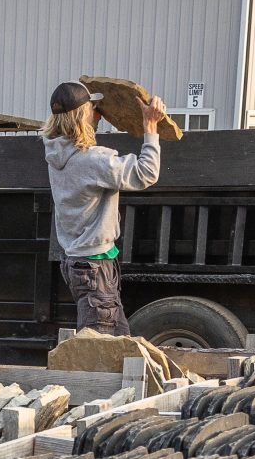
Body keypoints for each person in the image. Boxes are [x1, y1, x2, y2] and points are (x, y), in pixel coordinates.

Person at [41, 80, 166, 336]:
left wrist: (90, 118)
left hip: (82, 262)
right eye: (91, 107)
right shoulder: (93, 160)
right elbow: (146, 173)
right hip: (95, 267)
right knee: (99, 349)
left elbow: (77, 138)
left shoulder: (56, 154)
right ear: (82, 115)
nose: (95, 111)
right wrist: (150, 127)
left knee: (118, 342)